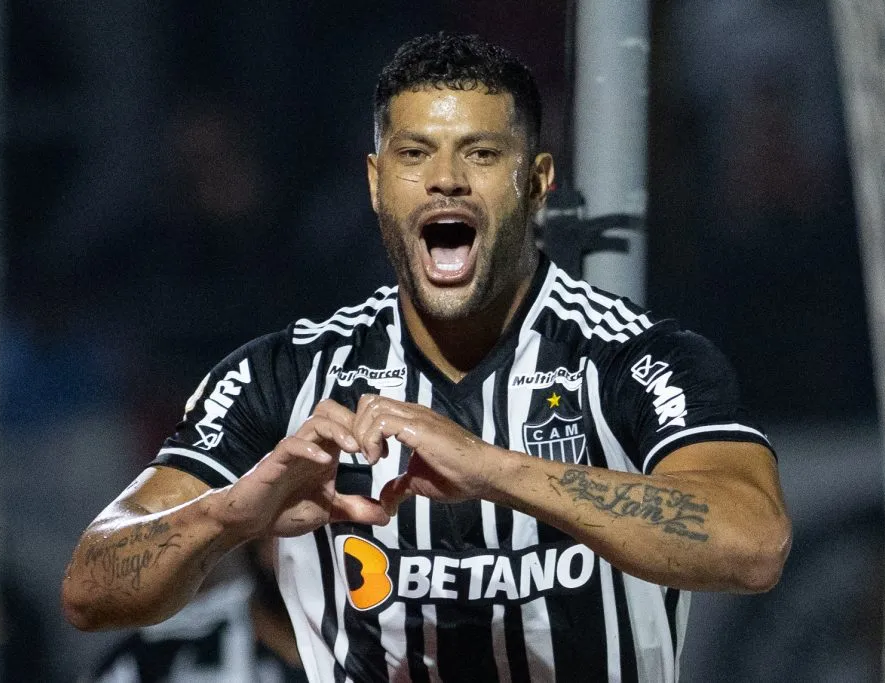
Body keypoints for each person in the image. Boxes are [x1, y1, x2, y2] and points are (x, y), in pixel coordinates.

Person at [62, 32, 792, 682]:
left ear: (537, 182)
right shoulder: (284, 375)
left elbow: (753, 543)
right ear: (376, 182)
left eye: (481, 153)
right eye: (414, 154)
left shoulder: (633, 357)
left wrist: (491, 468)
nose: (446, 178)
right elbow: (90, 588)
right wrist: (234, 511)